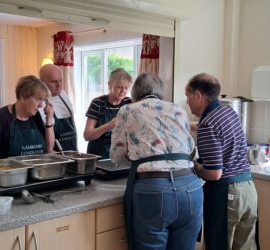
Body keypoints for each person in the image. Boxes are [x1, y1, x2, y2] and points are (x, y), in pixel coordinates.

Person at [111, 73, 203, 250]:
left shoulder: (128, 110)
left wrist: (134, 153)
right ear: (160, 93)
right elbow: (191, 149)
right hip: (191, 187)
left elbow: (116, 154)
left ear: (135, 93)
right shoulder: (178, 109)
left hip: (154, 189)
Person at [185, 73, 258, 250]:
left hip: (227, 195)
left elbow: (214, 173)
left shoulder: (208, 124)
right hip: (248, 191)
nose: (187, 102)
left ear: (199, 96)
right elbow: (208, 128)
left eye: (188, 97)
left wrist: (192, 165)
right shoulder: (228, 112)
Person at [0, 75, 55, 161]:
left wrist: (49, 120)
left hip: (35, 173)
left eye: (42, 100)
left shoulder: (36, 117)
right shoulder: (0, 119)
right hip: (8, 174)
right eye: (38, 99)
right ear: (22, 96)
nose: (40, 105)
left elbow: (49, 150)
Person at [84, 68, 132, 158]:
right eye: (119, 87)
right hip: (98, 155)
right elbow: (87, 135)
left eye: (126, 88)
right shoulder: (97, 103)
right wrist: (108, 125)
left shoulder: (128, 103)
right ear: (109, 85)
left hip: (120, 155)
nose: (123, 91)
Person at [39, 64, 78, 151]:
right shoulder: (39, 102)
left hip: (73, 151)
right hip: (55, 156)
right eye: (54, 81)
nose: (59, 85)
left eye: (60, 81)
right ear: (42, 82)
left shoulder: (63, 94)